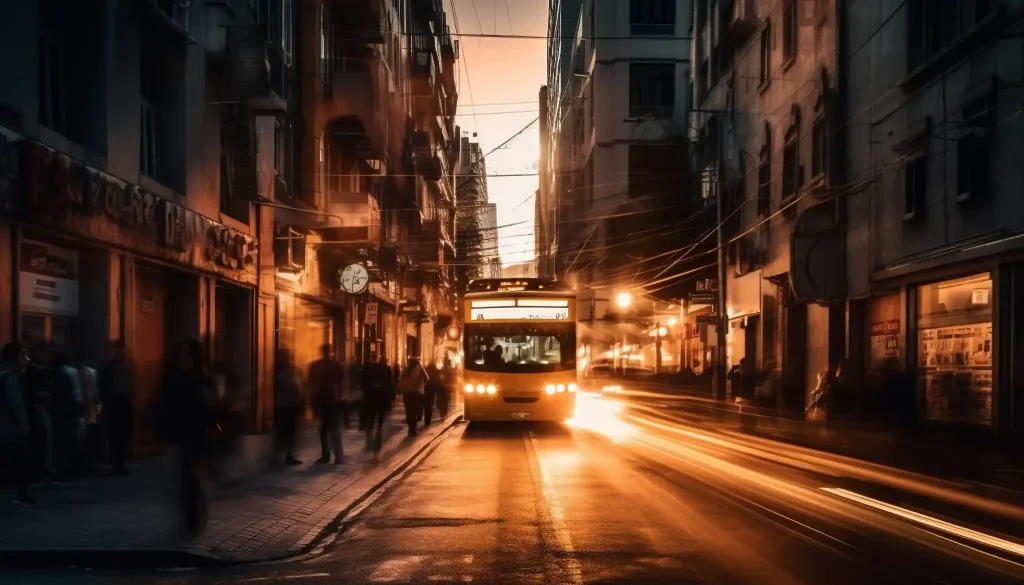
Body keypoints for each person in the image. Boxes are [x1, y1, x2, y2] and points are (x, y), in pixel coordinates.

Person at [155, 339, 218, 533]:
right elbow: (165, 405)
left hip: (198, 434)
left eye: (189, 355)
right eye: (183, 354)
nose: (186, 359)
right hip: (182, 434)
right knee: (186, 476)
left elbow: (213, 406)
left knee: (193, 475)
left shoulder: (203, 379)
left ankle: (195, 516)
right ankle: (191, 517)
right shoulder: (175, 378)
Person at [26, 343, 77, 483]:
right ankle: (49, 471)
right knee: (51, 441)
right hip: (48, 410)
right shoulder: (38, 371)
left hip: (54, 411)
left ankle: (52, 470)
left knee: (54, 442)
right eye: (45, 351)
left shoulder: (48, 372)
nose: (47, 354)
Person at [1, 343, 33, 507]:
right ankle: (22, 496)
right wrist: (24, 425)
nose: (26, 358)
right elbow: (17, 404)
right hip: (11, 427)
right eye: (23, 354)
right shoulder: (11, 376)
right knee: (21, 462)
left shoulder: (3, 372)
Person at [99, 340, 133, 475]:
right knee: (115, 434)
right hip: (113, 402)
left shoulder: (126, 365)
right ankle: (116, 463)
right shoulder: (109, 367)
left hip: (124, 401)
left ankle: (119, 462)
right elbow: (105, 385)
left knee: (123, 434)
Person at [308, 344, 344, 464]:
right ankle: (337, 456)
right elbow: (341, 385)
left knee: (324, 430)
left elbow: (312, 386)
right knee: (333, 430)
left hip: (323, 401)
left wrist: (313, 404)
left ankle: (326, 455)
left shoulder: (316, 366)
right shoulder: (336, 366)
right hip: (331, 401)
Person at [273, 350, 305, 466]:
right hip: (285, 404)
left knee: (289, 431)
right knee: (285, 431)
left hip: (290, 404)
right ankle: (281, 456)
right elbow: (289, 384)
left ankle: (286, 455)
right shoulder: (281, 370)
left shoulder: (290, 369)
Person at [360, 353, 395, 453]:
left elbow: (361, 382)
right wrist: (391, 399)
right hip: (382, 399)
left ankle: (369, 442)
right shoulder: (386, 369)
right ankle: (377, 444)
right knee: (379, 422)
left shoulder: (366, 368)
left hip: (369, 399)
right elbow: (391, 385)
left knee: (370, 421)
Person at [397, 358, 428, 436]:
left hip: (408, 393)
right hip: (418, 393)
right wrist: (421, 385)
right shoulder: (420, 369)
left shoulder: (406, 371)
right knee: (417, 410)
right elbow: (427, 378)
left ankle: (411, 429)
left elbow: (402, 380)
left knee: (409, 411)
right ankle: (413, 428)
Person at [423, 361, 442, 427]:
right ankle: (428, 419)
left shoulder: (425, 371)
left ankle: (427, 419)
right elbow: (438, 381)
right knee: (429, 405)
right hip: (432, 390)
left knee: (426, 406)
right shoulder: (436, 371)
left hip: (425, 390)